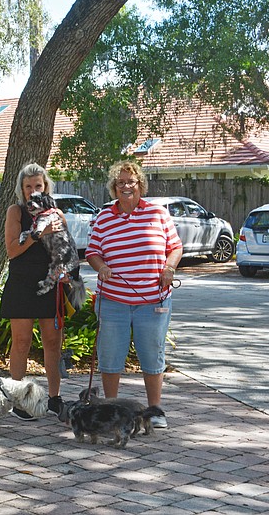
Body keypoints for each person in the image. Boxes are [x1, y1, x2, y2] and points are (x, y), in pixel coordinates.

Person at [85, 160, 183, 429]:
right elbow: (92, 252)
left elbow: (175, 247)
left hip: (153, 301)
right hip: (113, 301)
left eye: (131, 182)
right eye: (120, 183)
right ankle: (112, 410)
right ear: (114, 188)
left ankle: (154, 410)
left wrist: (169, 267)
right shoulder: (104, 217)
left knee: (152, 355)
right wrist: (101, 266)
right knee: (110, 356)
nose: (126, 186)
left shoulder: (158, 214)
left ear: (140, 184)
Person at [0, 163, 68, 419]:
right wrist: (38, 233)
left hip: (49, 284)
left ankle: (54, 398)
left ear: (45, 186)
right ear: (22, 189)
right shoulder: (15, 212)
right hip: (22, 283)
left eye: (37, 185)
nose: (33, 190)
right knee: (22, 342)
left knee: (52, 343)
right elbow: (12, 250)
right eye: (28, 187)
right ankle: (17, 399)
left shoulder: (57, 214)